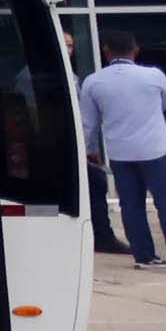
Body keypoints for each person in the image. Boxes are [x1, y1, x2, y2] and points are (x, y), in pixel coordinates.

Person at [84, 32, 166, 272]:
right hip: (156, 149)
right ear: (136, 50)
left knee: (131, 205)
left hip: (121, 152)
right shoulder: (154, 75)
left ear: (106, 51)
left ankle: (144, 256)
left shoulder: (94, 81)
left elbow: (89, 124)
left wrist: (91, 151)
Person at [67, 28, 127, 254]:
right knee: (96, 183)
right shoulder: (31, 76)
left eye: (71, 45)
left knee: (96, 183)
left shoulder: (74, 78)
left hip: (79, 145)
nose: (68, 50)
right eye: (64, 44)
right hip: (64, 145)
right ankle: (102, 236)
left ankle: (100, 235)